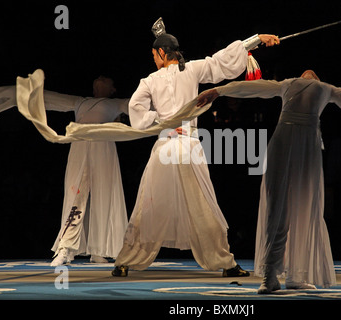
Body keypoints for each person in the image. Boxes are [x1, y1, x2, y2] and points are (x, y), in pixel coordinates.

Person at [196, 70, 341, 292]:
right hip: (292, 142)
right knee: (280, 203)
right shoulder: (293, 85)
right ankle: (271, 275)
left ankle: (295, 275)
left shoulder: (315, 87)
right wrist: (219, 91)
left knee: (303, 206)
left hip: (302, 144)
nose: (308, 73)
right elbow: (254, 87)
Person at [111, 28, 280, 277]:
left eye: (154, 55)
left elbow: (135, 110)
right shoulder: (191, 69)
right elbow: (220, 61)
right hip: (188, 145)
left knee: (148, 204)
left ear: (161, 52)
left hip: (166, 145)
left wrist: (161, 119)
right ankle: (226, 263)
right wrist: (255, 40)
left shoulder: (150, 80)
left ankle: (125, 261)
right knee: (203, 204)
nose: (153, 59)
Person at [0, 76, 130, 266]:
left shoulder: (117, 103)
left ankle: (99, 249)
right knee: (76, 194)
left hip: (103, 149)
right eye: (97, 80)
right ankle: (66, 247)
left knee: (103, 195)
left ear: (113, 89)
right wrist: (22, 93)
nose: (100, 80)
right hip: (80, 147)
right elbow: (48, 98)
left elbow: (146, 107)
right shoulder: (80, 101)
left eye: (106, 80)